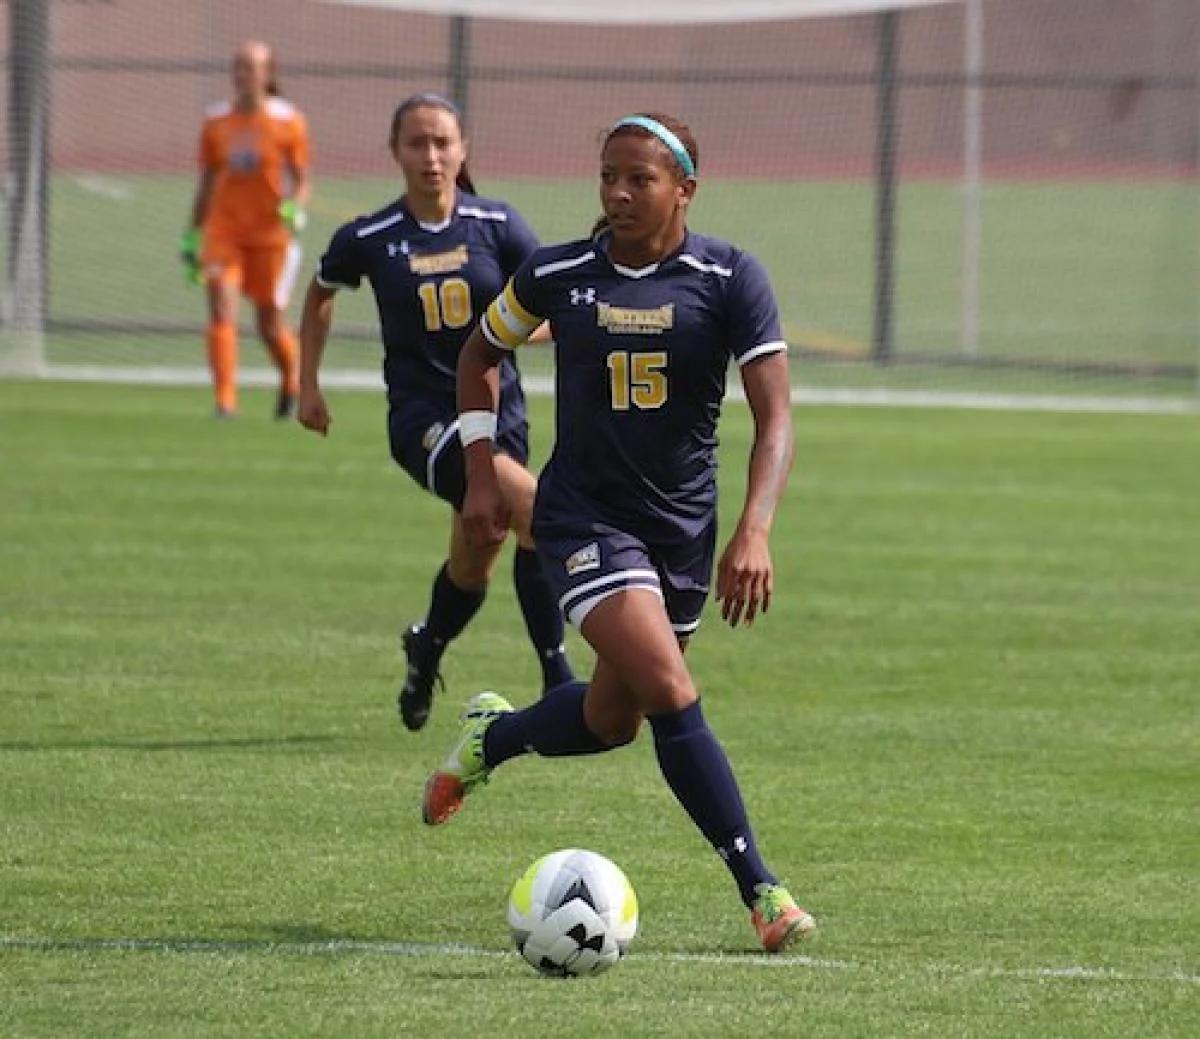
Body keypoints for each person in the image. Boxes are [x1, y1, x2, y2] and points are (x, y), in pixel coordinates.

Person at [423, 113, 815, 953]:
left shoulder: (729, 276)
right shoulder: (559, 270)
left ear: (685, 189)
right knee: (673, 691)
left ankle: (495, 736)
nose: (619, 193)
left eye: (640, 178)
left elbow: (775, 414)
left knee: (612, 720)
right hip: (583, 521)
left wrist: (755, 529)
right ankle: (764, 891)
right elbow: (477, 355)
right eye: (609, 176)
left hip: (681, 534)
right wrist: (484, 467)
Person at [296, 92, 574, 731]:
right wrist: (307, 385)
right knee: (542, 513)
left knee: (475, 561)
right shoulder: (369, 236)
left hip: (502, 419)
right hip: (424, 423)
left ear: (463, 149)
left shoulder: (497, 224)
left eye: (443, 142)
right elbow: (319, 294)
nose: (431, 156)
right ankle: (559, 676)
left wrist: (502, 337)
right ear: (395, 152)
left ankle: (426, 651)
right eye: (417, 143)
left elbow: (553, 303)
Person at [182, 40, 310, 419]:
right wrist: (192, 233)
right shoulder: (216, 121)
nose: (244, 75)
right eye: (238, 67)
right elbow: (207, 180)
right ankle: (225, 402)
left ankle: (292, 380)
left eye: (252, 67)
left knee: (270, 325)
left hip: (270, 236)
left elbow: (302, 180)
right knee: (222, 307)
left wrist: (295, 207)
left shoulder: (289, 121)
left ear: (268, 73)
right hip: (224, 232)